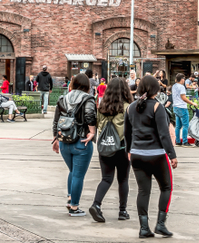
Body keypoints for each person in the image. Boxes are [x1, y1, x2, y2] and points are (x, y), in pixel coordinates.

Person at [125, 74, 177, 238]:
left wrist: (129, 151)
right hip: (157, 155)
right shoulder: (157, 107)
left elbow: (127, 134)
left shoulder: (130, 107)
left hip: (137, 155)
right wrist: (172, 155)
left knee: (143, 191)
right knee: (166, 187)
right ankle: (160, 224)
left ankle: (144, 228)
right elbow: (164, 135)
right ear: (156, 89)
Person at [52, 73, 97, 217]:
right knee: (78, 174)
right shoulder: (88, 98)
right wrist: (92, 131)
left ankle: (71, 197)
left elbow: (56, 121)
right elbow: (90, 115)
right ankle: (74, 207)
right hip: (81, 141)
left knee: (72, 171)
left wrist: (55, 139)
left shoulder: (63, 98)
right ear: (86, 85)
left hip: (64, 141)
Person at [89, 77, 132, 223]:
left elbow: (96, 124)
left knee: (106, 179)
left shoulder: (102, 107)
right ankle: (122, 211)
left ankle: (96, 204)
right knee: (123, 179)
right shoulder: (128, 107)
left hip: (105, 148)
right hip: (122, 148)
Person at [171, 73, 193, 146]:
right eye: (183, 78)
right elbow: (183, 98)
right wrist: (192, 103)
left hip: (175, 107)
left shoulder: (173, 86)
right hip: (182, 107)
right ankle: (185, 141)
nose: (184, 80)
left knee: (178, 126)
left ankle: (177, 141)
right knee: (185, 125)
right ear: (181, 79)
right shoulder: (181, 87)